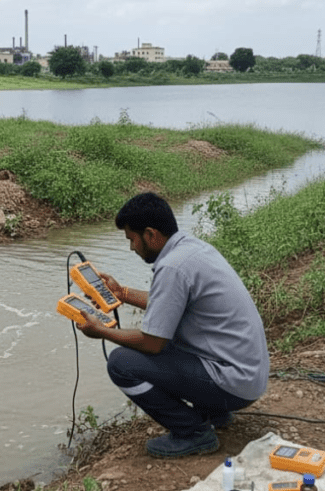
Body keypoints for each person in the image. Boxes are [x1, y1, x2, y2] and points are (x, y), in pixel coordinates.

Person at [76, 192, 269, 458]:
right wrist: (122, 294)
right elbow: (168, 304)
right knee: (175, 341)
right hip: (247, 377)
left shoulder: (172, 267)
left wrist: (101, 331)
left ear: (151, 234)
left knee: (122, 363)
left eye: (132, 239)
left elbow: (152, 344)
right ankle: (215, 412)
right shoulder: (191, 249)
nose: (132, 248)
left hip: (233, 384)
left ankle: (193, 432)